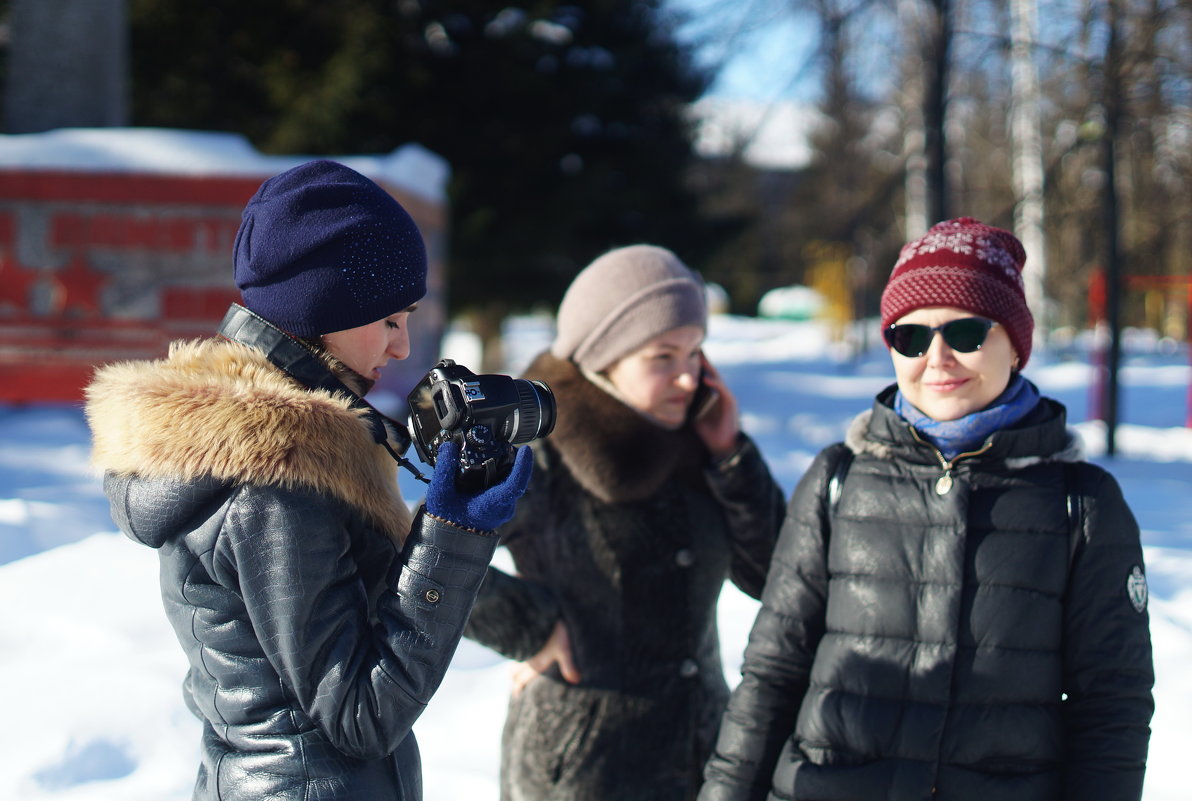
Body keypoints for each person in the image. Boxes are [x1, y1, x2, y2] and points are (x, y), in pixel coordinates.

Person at [84, 159, 533, 801]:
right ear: (327, 305)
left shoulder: (279, 444)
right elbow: (359, 714)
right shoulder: (275, 476)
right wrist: (455, 534)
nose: (403, 347)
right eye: (390, 319)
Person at [699, 217, 1155, 801]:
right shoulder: (839, 480)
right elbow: (772, 672)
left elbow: (1111, 703)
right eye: (910, 337)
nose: (936, 357)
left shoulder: (1081, 504)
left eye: (965, 332)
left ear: (1014, 344)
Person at [462, 244, 786, 801]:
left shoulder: (697, 446)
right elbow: (417, 554)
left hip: (708, 763)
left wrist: (732, 457)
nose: (687, 379)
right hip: (584, 770)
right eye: (663, 357)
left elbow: (777, 578)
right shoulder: (537, 452)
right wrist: (527, 627)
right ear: (603, 358)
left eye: (694, 355)